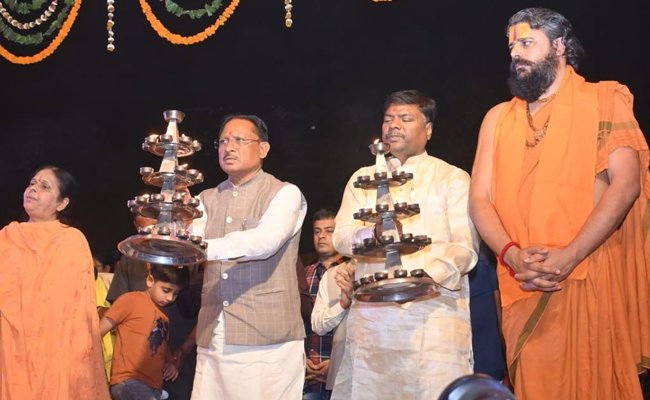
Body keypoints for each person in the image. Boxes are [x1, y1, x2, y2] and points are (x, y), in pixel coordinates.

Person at [469, 7, 650, 399]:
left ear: (560, 46)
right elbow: (479, 200)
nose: (516, 53)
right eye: (512, 47)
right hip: (522, 282)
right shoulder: (498, 118)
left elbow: (626, 185)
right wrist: (512, 255)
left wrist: (569, 256)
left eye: (527, 43)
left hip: (588, 272)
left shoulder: (604, 99)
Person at [332, 90, 479, 399]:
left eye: (405, 118)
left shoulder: (451, 178)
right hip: (373, 322)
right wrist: (373, 234)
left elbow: (464, 248)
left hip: (433, 316)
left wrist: (425, 279)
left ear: (428, 129)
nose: (394, 125)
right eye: (388, 119)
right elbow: (341, 237)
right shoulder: (363, 179)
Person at [190, 114, 307, 399]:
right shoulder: (204, 199)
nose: (228, 147)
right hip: (213, 335)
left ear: (263, 148)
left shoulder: (285, 193)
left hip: (267, 338)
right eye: (223, 141)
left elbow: (264, 242)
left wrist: (199, 248)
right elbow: (189, 241)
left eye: (239, 140)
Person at [0, 166, 110, 399]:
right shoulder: (7, 237)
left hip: (55, 345)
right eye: (32, 183)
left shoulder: (72, 240)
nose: (33, 189)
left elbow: (79, 309)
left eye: (45, 186)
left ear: (62, 203)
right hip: (12, 344)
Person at [107, 214, 201, 400]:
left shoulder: (188, 258)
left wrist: (182, 351)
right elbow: (112, 316)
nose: (169, 298)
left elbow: (205, 312)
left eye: (157, 226)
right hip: (134, 373)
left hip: (177, 362)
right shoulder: (131, 260)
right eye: (145, 229)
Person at [100, 263, 189, 400]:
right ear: (150, 280)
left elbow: (162, 346)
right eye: (166, 290)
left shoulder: (165, 315)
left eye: (175, 293)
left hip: (154, 387)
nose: (170, 298)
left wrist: (171, 363)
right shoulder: (131, 300)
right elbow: (97, 333)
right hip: (128, 381)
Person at [304, 208, 353, 400]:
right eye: (317, 231)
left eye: (329, 231)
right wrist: (301, 359)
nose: (322, 236)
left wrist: (337, 360)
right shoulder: (303, 274)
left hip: (343, 369)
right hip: (309, 372)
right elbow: (296, 321)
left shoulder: (352, 271)